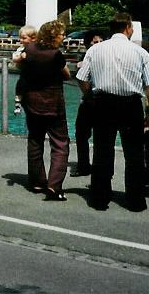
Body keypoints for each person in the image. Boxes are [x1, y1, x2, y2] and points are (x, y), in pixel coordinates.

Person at [76, 12, 149, 212]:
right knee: (134, 154)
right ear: (127, 28)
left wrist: (89, 96)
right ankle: (135, 200)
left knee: (102, 151)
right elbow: (148, 85)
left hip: (103, 103)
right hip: (131, 104)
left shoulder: (95, 50)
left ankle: (99, 198)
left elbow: (81, 77)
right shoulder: (141, 53)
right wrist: (148, 111)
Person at [20, 20, 71, 201]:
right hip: (53, 103)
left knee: (35, 141)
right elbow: (67, 74)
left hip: (32, 101)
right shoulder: (56, 54)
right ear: (53, 36)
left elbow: (23, 67)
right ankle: (54, 186)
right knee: (60, 144)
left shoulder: (30, 50)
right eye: (61, 34)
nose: (63, 37)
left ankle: (37, 181)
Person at [71, 31, 105, 177]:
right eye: (94, 42)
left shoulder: (104, 57)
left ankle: (98, 167)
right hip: (87, 101)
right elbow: (77, 76)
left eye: (100, 41)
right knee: (81, 134)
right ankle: (83, 165)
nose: (98, 45)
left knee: (100, 136)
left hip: (99, 101)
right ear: (86, 44)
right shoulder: (84, 57)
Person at [11, 25, 37, 115]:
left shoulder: (38, 49)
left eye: (24, 38)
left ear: (33, 38)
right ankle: (17, 104)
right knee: (20, 86)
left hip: (34, 77)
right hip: (25, 75)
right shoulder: (21, 49)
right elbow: (14, 58)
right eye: (21, 38)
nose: (21, 40)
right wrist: (21, 58)